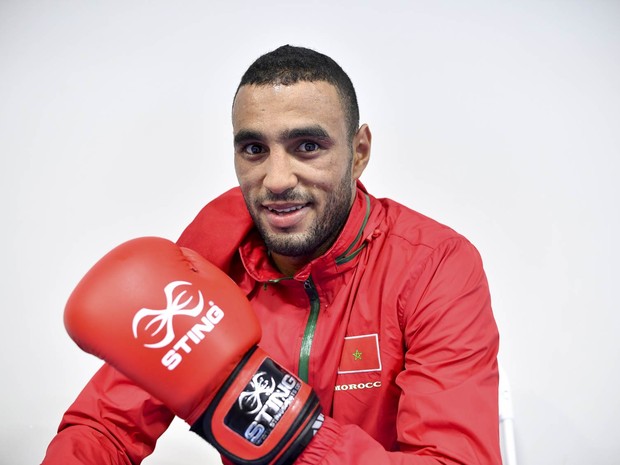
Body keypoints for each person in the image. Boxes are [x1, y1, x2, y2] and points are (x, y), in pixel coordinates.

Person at [42, 45, 501, 464]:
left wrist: (281, 424)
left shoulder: (434, 265)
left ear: (358, 152)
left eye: (307, 147)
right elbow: (105, 426)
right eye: (255, 149)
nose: (277, 179)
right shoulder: (210, 258)